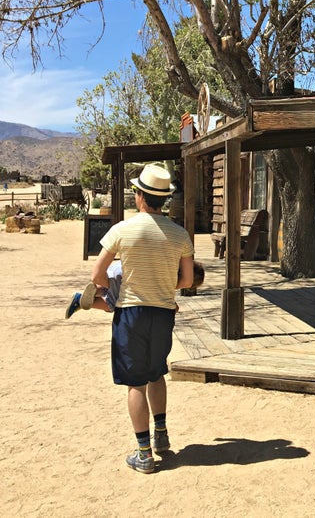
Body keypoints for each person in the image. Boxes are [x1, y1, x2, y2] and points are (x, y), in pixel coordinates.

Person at [90, 163, 195, 474]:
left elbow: (97, 275)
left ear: (139, 196)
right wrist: (162, 285)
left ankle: (144, 453)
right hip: (163, 313)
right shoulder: (180, 235)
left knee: (134, 384)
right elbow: (187, 281)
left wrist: (118, 289)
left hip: (131, 313)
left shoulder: (122, 230)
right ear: (163, 199)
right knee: (156, 373)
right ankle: (161, 435)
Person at [65, 260, 205, 318]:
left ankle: (97, 290)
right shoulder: (169, 280)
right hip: (122, 277)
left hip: (118, 267)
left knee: (111, 289)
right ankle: (80, 299)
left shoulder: (167, 264)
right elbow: (165, 301)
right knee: (112, 305)